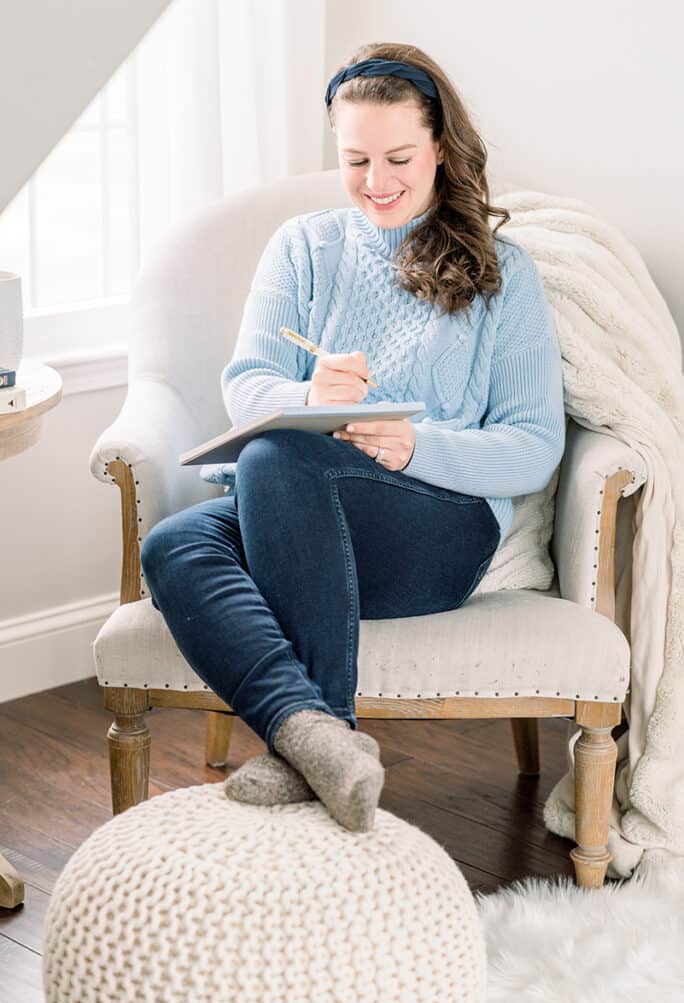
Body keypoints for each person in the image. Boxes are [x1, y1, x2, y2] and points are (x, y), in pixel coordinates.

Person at [140, 42, 566, 834]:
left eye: (399, 157)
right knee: (173, 545)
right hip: (297, 515)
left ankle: (322, 725)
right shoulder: (304, 248)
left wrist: (416, 447)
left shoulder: (504, 273)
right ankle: (320, 743)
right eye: (355, 159)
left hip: (436, 532)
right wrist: (310, 394)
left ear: (441, 147)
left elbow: (534, 445)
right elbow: (249, 382)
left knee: (276, 455)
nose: (377, 182)